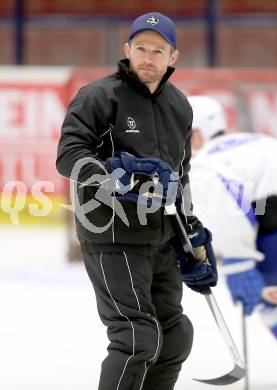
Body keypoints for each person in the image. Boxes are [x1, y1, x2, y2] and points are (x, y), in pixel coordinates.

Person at [56, 13, 217, 390]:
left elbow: (181, 176)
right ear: (127, 49)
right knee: (136, 339)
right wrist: (115, 175)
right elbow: (68, 156)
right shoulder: (99, 96)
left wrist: (190, 234)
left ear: (172, 57)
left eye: (157, 50)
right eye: (141, 48)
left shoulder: (179, 106)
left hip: (159, 237)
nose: (148, 57)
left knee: (174, 337)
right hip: (113, 235)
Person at [187, 95, 277, 378]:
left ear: (197, 134)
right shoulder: (257, 139)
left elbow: (233, 217)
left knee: (266, 299)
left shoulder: (205, 167)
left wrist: (239, 263)